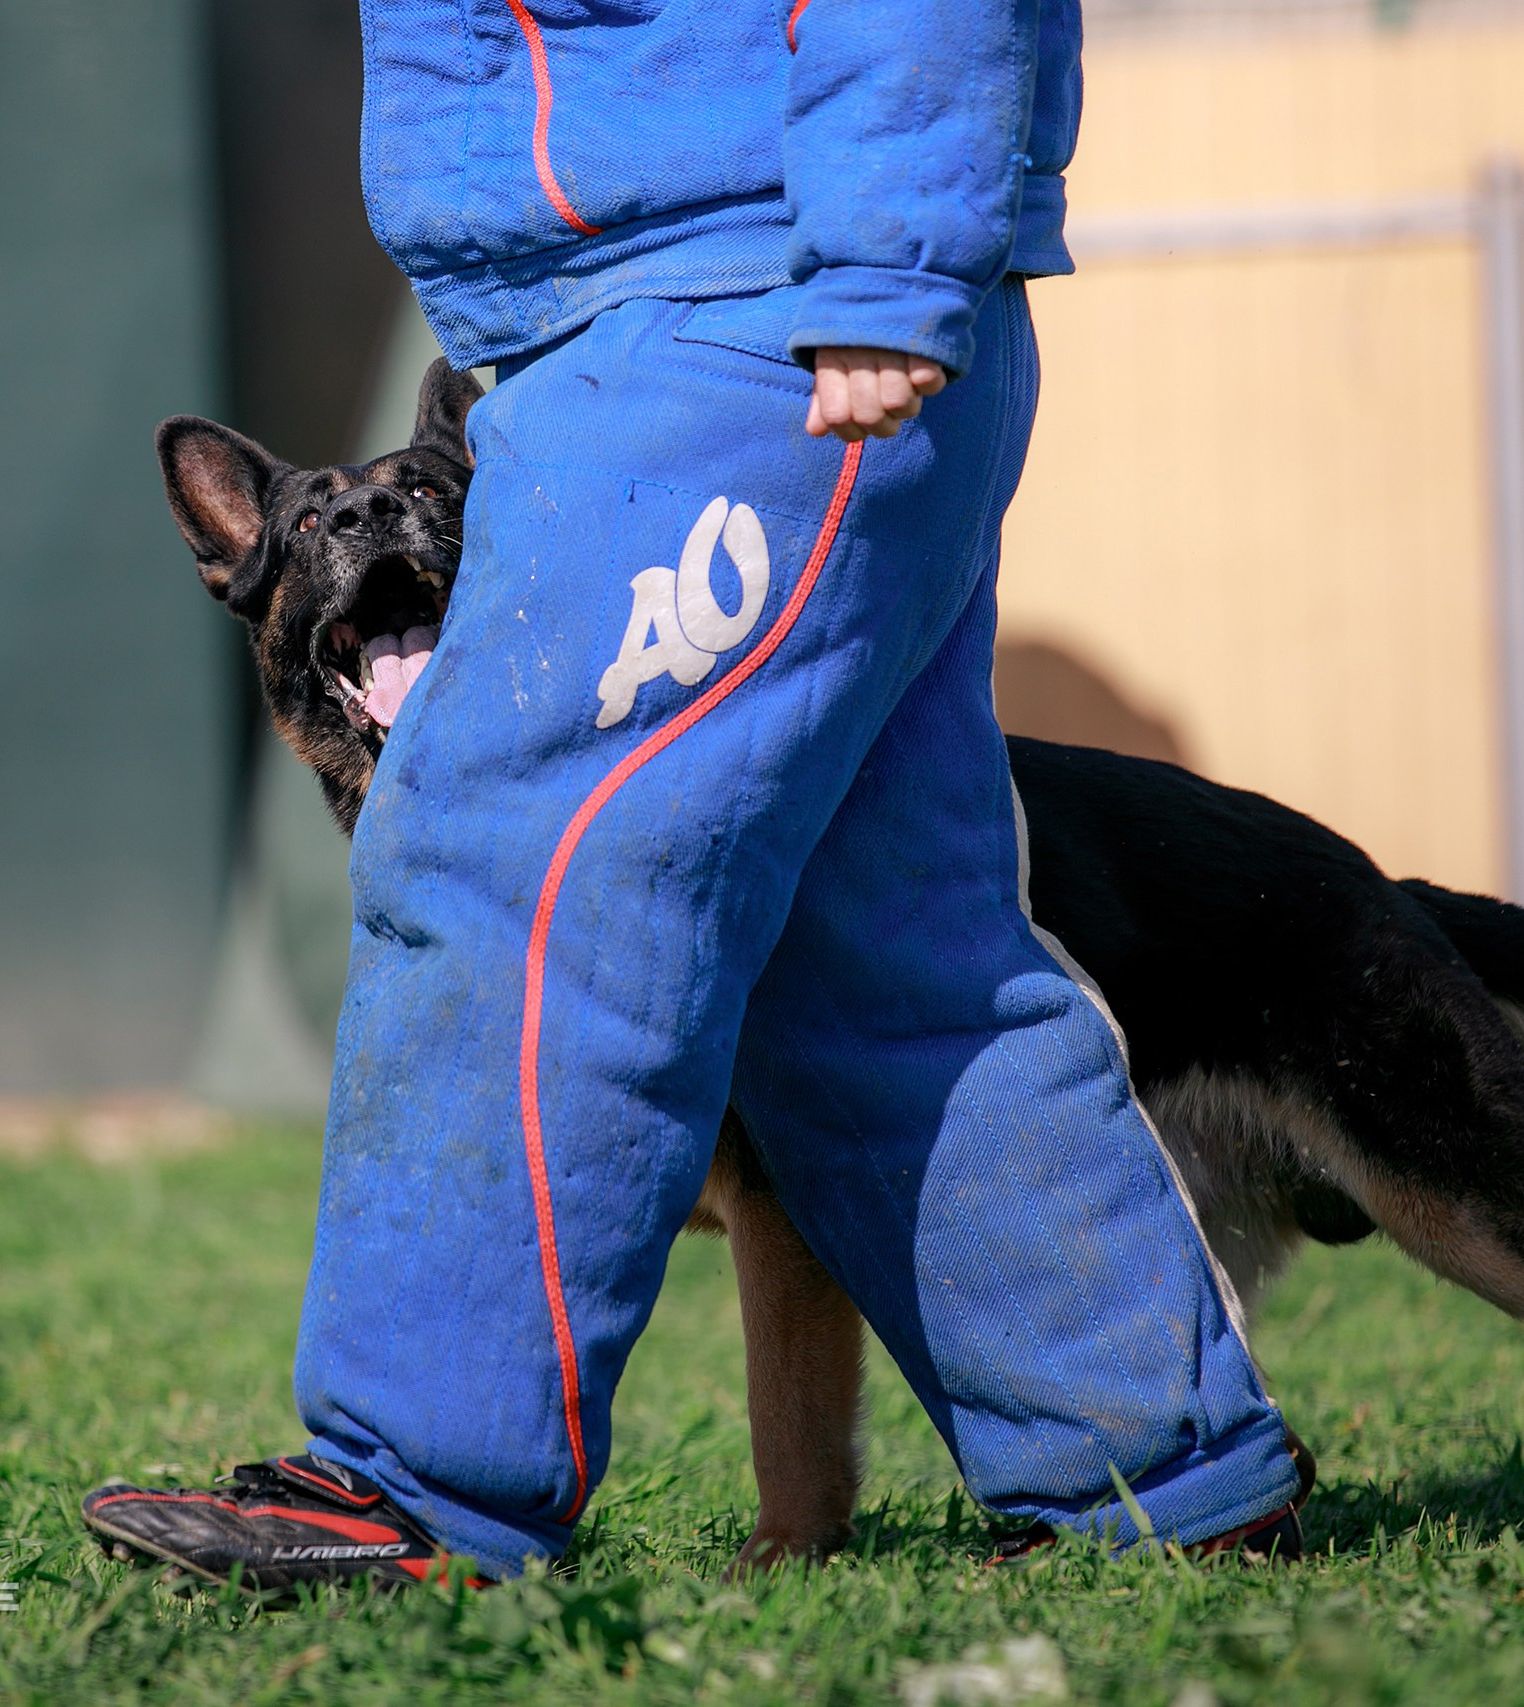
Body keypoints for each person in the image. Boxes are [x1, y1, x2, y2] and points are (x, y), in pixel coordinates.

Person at [82, 0, 1307, 1590]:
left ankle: (416, 1493)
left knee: (500, 863)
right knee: (874, 953)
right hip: (729, 310)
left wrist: (882, 257)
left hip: (746, 312)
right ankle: (1158, 1479)